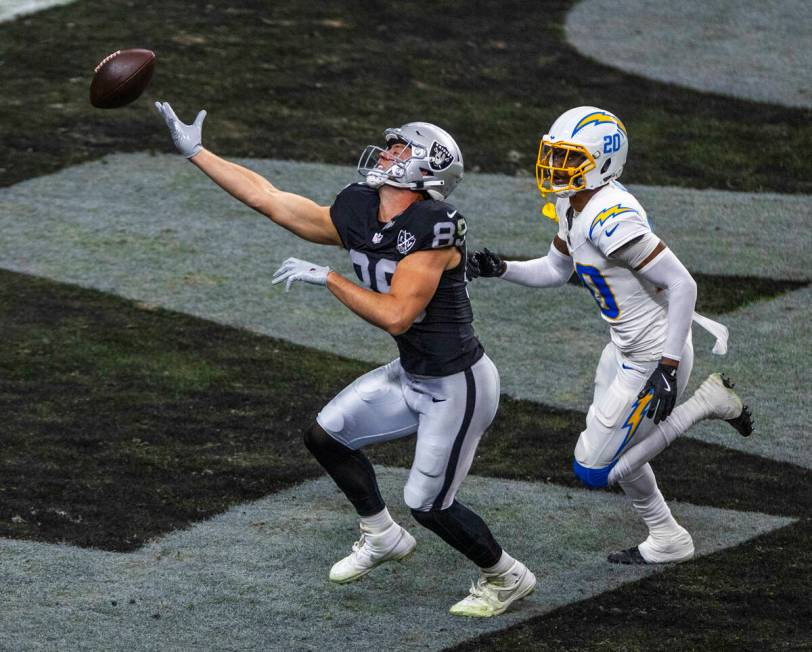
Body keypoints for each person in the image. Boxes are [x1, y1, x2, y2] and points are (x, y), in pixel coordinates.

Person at [154, 102, 535, 616]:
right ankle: (381, 535)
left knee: (428, 504)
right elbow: (274, 202)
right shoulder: (362, 205)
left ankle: (506, 576)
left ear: (425, 168)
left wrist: (329, 278)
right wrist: (199, 153)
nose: (387, 151)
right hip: (412, 374)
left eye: (401, 147)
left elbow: (399, 315)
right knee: (325, 436)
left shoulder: (434, 224)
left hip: (457, 385)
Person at [468, 106, 753, 564]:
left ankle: (707, 403)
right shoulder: (573, 202)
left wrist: (667, 366)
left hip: (655, 355)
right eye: (555, 155)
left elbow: (683, 284)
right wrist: (500, 268)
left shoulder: (611, 217)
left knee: (595, 468)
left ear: (603, 162)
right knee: (620, 448)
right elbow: (554, 270)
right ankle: (667, 536)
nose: (557, 167)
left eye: (569, 158)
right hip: (622, 348)